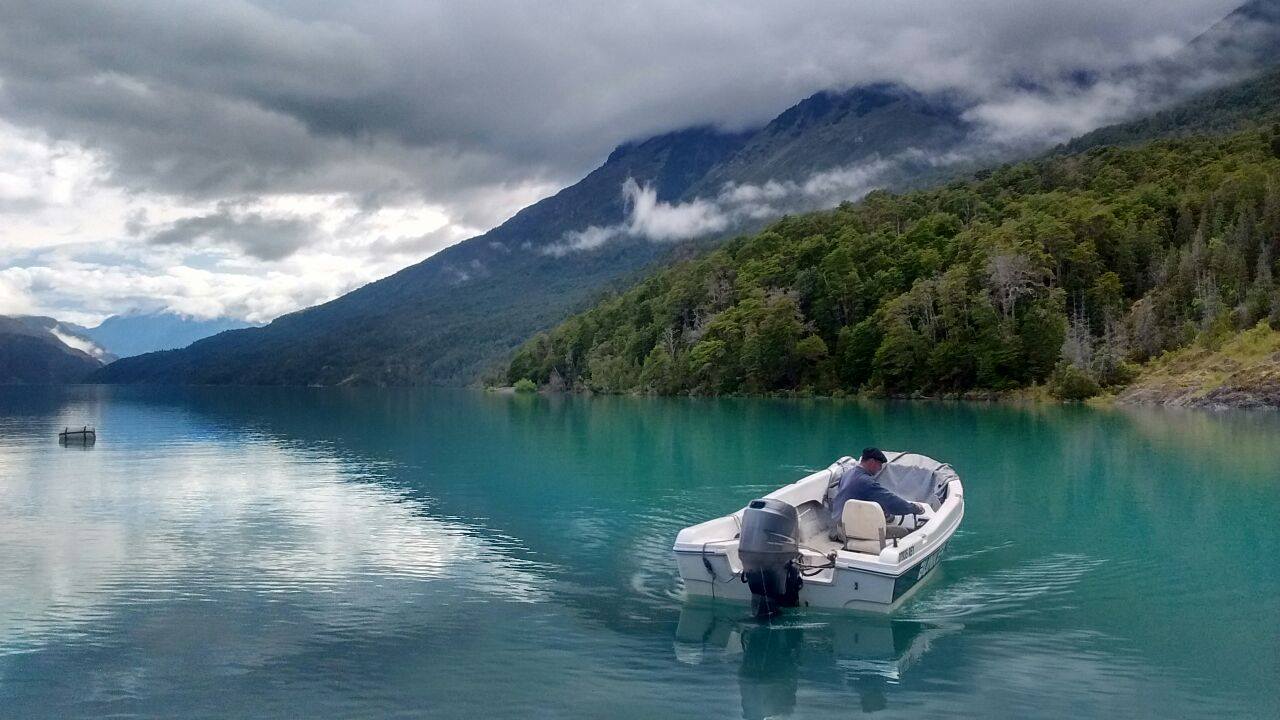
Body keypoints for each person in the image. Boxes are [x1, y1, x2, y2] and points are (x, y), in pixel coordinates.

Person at [829, 448, 928, 537]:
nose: (880, 469)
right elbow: (891, 502)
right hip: (850, 531)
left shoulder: (847, 474)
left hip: (837, 527)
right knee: (903, 532)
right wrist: (914, 508)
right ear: (872, 461)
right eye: (879, 465)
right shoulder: (866, 482)